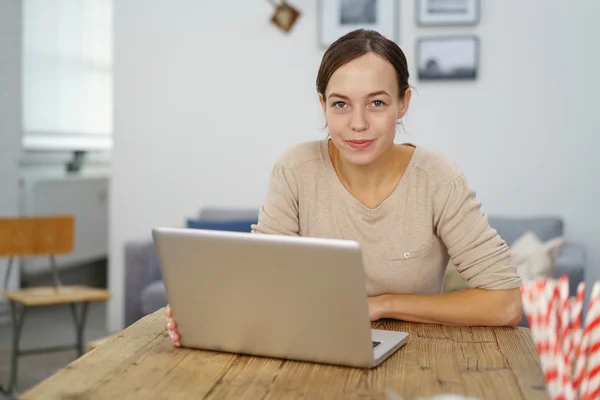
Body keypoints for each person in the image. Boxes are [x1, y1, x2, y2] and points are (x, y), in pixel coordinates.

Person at [165, 29, 523, 347]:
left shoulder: (437, 177)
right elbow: (263, 279)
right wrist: (203, 312)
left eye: (377, 103)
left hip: (419, 352)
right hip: (310, 343)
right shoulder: (296, 168)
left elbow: (505, 302)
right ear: (323, 105)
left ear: (403, 104)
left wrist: (382, 304)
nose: (358, 124)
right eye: (340, 104)